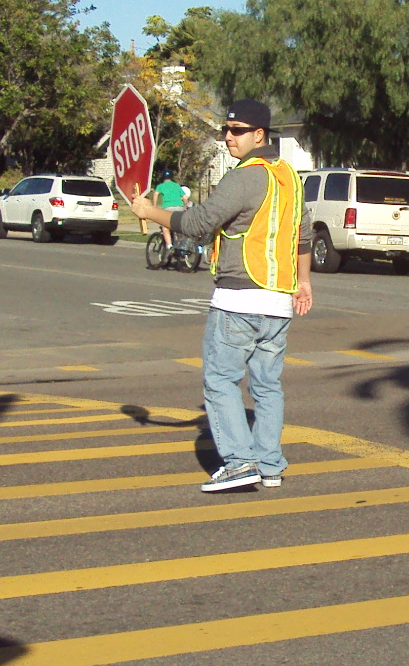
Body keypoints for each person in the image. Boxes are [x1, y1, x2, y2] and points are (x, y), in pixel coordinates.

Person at [128, 101, 311, 492]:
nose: (228, 137)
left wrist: (149, 211)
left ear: (259, 135)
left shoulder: (244, 177)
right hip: (279, 302)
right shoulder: (289, 178)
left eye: (237, 130)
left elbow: (198, 222)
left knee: (220, 381)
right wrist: (305, 282)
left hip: (239, 300)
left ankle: (240, 462)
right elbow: (304, 236)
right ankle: (270, 465)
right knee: (267, 386)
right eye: (225, 130)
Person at [147, 166, 187, 253]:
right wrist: (185, 207)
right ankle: (178, 245)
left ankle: (169, 246)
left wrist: (154, 206)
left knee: (165, 226)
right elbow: (185, 197)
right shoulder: (176, 186)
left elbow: (155, 195)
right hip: (179, 206)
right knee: (176, 226)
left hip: (168, 207)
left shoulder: (161, 186)